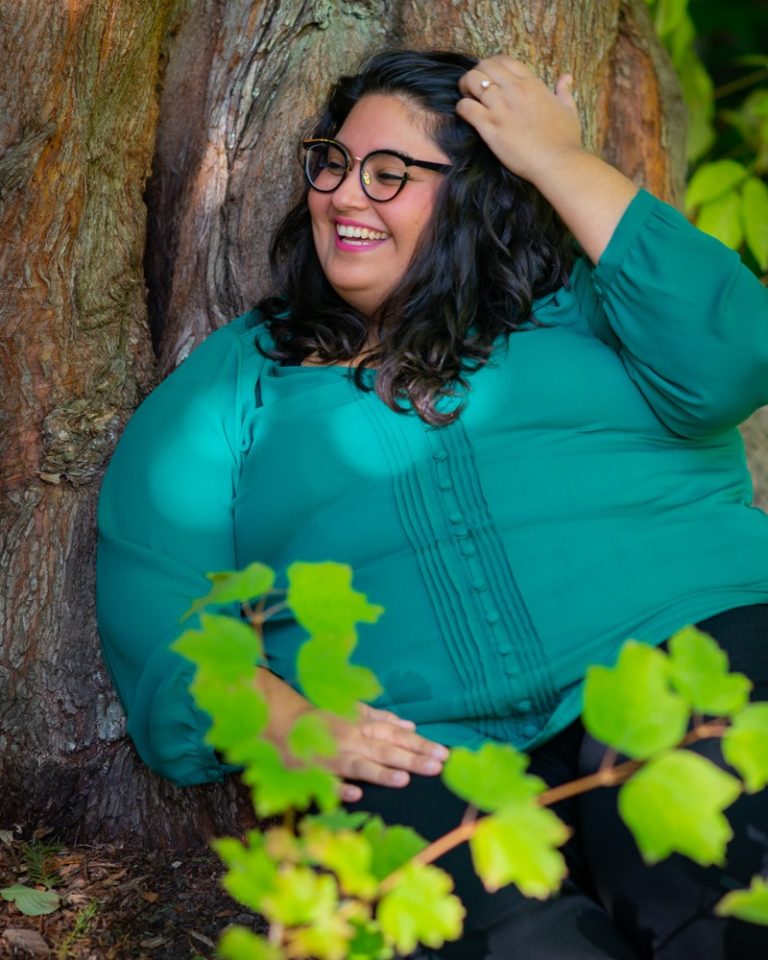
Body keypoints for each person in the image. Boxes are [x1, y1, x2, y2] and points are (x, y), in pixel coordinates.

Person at [96, 49, 768, 959]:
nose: (342, 195)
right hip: (411, 748)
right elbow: (157, 601)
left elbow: (736, 356)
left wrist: (559, 160)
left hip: (683, 658)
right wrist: (287, 721)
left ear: (477, 195)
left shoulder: (587, 305)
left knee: (729, 908)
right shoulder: (238, 383)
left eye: (390, 173)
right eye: (331, 164)